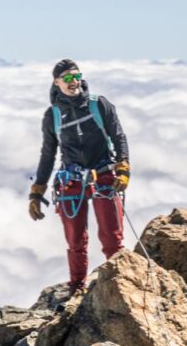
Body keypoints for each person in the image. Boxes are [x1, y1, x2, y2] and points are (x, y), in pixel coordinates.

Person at [27, 59, 132, 295]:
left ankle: (119, 285)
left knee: (112, 238)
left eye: (76, 76)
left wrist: (123, 167)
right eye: (67, 78)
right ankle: (77, 287)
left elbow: (118, 136)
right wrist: (37, 191)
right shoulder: (52, 116)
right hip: (71, 180)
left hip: (104, 175)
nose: (73, 81)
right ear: (56, 82)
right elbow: (48, 154)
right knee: (75, 241)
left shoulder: (99, 105)